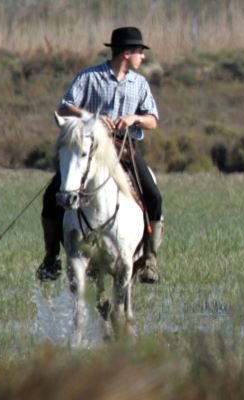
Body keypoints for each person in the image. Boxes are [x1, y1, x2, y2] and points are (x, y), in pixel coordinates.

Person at [37, 26, 164, 284]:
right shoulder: (89, 77)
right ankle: (51, 258)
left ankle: (150, 257)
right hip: (90, 151)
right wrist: (92, 119)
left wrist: (134, 118)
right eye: (140, 52)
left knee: (153, 195)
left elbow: (153, 121)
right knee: (52, 196)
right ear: (127, 53)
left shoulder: (139, 83)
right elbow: (65, 106)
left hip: (123, 150)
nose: (143, 57)